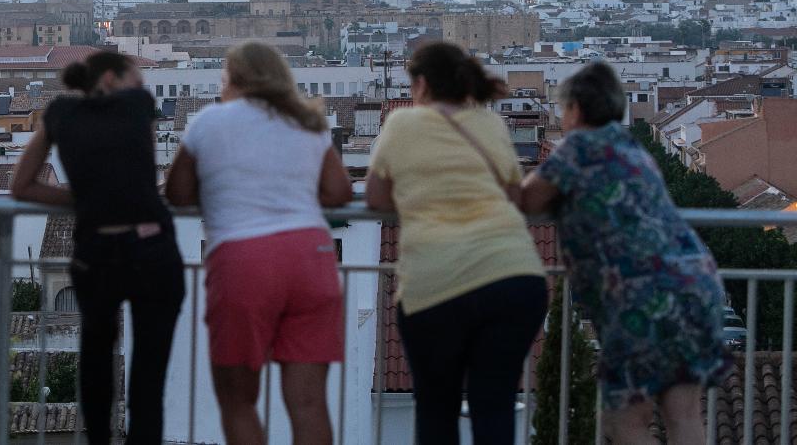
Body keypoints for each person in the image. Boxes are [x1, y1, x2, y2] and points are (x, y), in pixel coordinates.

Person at [520, 62, 730, 444]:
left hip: (639, 298)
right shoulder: (631, 146)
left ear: (577, 111)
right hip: (696, 286)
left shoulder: (580, 146)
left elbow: (526, 199)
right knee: (683, 418)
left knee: (623, 424)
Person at [165, 41, 353, 445]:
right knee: (309, 404)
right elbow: (339, 192)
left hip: (243, 258)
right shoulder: (308, 123)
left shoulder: (209, 122)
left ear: (234, 79)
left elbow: (177, 193)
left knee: (238, 401)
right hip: (310, 255)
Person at [365, 40, 547, 445]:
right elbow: (515, 197)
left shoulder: (401, 124)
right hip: (514, 276)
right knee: (495, 403)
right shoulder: (490, 124)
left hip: (436, 282)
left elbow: (376, 199)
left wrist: (420, 193)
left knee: (436, 408)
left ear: (423, 84)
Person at [10, 51, 184, 445]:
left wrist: (86, 200)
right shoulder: (140, 105)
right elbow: (138, 177)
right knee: (149, 375)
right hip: (152, 246)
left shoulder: (59, 115)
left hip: (96, 250)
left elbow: (22, 186)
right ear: (109, 78)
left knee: (95, 363)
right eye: (136, 79)